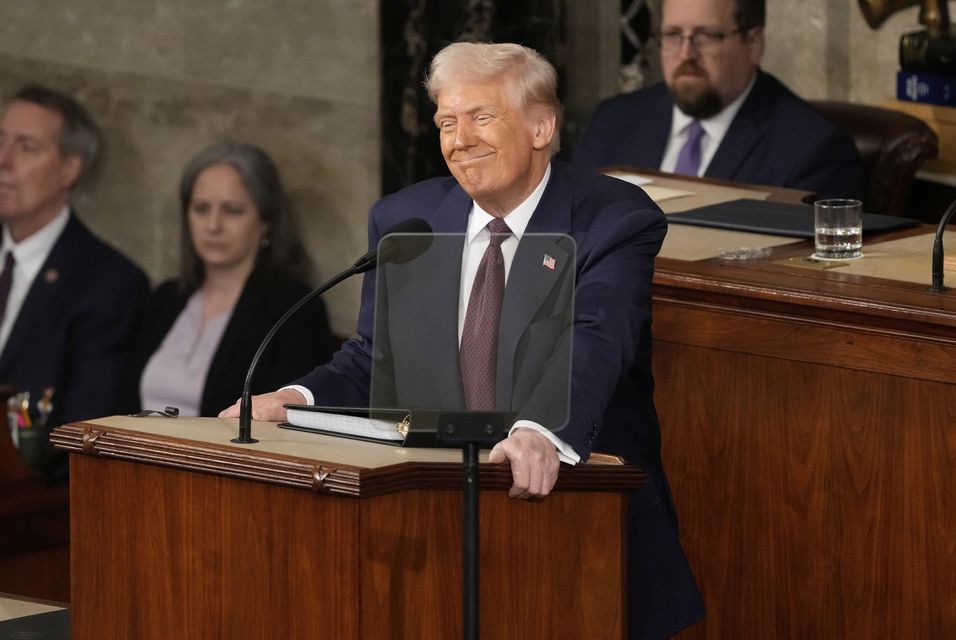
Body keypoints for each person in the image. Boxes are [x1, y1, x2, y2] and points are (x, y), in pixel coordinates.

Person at [221, 42, 705, 638]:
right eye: (446, 122)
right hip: (436, 533)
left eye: (481, 116)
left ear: (541, 125)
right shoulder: (408, 219)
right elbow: (374, 356)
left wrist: (539, 430)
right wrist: (291, 400)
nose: (460, 139)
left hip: (583, 530)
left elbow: (597, 338)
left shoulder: (611, 216)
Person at [120, 143, 336, 417]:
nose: (213, 226)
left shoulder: (295, 309)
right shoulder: (165, 299)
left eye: (232, 210)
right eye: (201, 208)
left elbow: (288, 421)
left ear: (266, 221)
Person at [572, 0, 865, 200]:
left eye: (706, 37)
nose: (685, 54)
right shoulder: (613, 121)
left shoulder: (812, 151)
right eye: (673, 35)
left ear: (753, 44)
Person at [0, 84, 148, 475]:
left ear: (70, 168)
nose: (3, 159)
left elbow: (81, 431)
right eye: (1, 140)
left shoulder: (109, 283)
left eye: (27, 147)